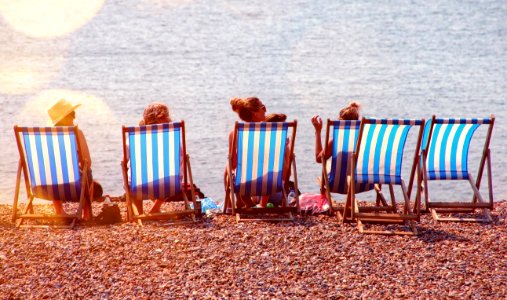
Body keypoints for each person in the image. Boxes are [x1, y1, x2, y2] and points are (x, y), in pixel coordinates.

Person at [47, 99, 102, 219]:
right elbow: (87, 161)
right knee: (88, 171)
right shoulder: (76, 133)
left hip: (46, 185)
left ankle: (59, 211)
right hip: (73, 186)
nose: (74, 118)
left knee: (53, 171)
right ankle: (86, 214)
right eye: (72, 115)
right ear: (66, 118)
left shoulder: (45, 136)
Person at [226, 97, 267, 208]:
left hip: (244, 182)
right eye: (263, 108)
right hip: (270, 182)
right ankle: (260, 204)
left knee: (228, 166)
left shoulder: (235, 133)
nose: (265, 110)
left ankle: (238, 202)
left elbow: (233, 164)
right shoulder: (271, 131)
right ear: (254, 113)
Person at [138, 102, 172, 214]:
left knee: (132, 170)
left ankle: (138, 210)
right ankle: (156, 206)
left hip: (139, 183)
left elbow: (128, 159)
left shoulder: (137, 136)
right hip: (169, 183)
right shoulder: (171, 136)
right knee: (170, 171)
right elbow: (180, 158)